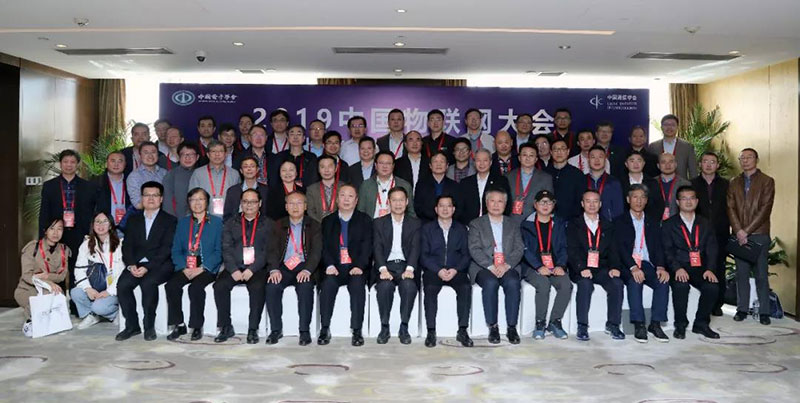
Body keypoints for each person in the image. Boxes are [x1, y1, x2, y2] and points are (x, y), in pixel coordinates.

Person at [116, 181, 177, 341]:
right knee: (122, 285)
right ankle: (132, 326)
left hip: (160, 264)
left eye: (155, 195)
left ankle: (149, 326)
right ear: (142, 198)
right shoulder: (133, 220)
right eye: (147, 195)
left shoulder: (170, 220)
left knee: (148, 283)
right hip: (136, 264)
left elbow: (166, 248)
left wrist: (148, 267)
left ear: (161, 199)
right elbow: (127, 246)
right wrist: (131, 265)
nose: (151, 199)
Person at [613, 184, 671, 343]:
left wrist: (661, 266)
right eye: (635, 197)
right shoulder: (619, 221)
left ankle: (655, 324)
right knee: (635, 281)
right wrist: (633, 267)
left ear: (646, 201)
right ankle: (639, 324)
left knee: (663, 281)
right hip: (627, 264)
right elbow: (620, 248)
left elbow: (659, 247)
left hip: (646, 263)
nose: (638, 201)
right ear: (628, 199)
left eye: (642, 197)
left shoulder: (652, 222)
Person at [214, 189, 272, 344]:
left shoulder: (268, 224)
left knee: (258, 287)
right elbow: (226, 248)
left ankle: (253, 329)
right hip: (234, 267)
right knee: (219, 286)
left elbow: (267, 251)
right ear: (241, 203)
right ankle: (225, 326)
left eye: (253, 202)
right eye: (245, 202)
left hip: (257, 268)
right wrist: (233, 270)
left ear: (260, 203)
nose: (249, 205)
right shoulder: (231, 223)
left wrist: (252, 269)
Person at [166, 188, 223, 341]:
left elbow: (219, 251)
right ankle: (179, 324)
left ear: (207, 202)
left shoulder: (217, 223)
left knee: (196, 288)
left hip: (206, 267)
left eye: (201, 199)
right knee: (171, 286)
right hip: (186, 266)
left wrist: (203, 268)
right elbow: (176, 250)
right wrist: (183, 267)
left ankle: (197, 326)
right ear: (189, 203)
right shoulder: (183, 223)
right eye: (193, 200)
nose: (197, 203)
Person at [265, 191, 322, 345]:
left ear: (305, 206)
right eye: (291, 203)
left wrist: (308, 270)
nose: (295, 207)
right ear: (286, 207)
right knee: (272, 286)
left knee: (305, 287)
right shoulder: (278, 225)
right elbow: (271, 250)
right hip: (283, 266)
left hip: (305, 266)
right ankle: (276, 330)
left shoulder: (314, 225)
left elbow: (316, 252)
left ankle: (304, 331)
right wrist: (274, 269)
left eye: (299, 203)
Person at [663, 185, 720, 339]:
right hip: (679, 266)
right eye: (684, 198)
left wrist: (710, 269)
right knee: (681, 286)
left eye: (691, 198)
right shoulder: (669, 224)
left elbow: (712, 248)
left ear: (697, 201)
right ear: (678, 202)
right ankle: (680, 325)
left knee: (712, 287)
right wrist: (677, 268)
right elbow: (667, 250)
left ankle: (701, 324)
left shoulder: (705, 223)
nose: (688, 202)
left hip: (700, 267)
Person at [318, 184, 372, 346]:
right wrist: (329, 265)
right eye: (342, 195)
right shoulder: (328, 221)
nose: (346, 199)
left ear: (356, 200)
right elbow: (323, 247)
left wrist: (359, 266)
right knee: (327, 285)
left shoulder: (364, 220)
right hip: (334, 267)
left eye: (350, 196)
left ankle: (357, 330)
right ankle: (325, 328)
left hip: (355, 267)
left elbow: (367, 247)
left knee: (357, 286)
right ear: (337, 199)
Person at [568, 190, 625, 341]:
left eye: (595, 201)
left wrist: (615, 267)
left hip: (601, 268)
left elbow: (614, 249)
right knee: (585, 285)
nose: (592, 205)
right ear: (582, 204)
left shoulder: (608, 225)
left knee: (617, 284)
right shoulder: (574, 224)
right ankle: (582, 326)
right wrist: (581, 268)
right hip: (580, 268)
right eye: (588, 201)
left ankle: (613, 324)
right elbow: (572, 250)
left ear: (600, 204)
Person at [469, 189, 524, 344]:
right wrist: (490, 266)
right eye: (492, 201)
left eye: (500, 201)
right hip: (483, 266)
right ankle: (493, 326)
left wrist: (506, 265)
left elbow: (519, 248)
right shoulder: (476, 224)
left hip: (507, 265)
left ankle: (511, 327)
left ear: (505, 204)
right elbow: (474, 249)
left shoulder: (513, 224)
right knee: (491, 283)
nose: (496, 205)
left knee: (513, 282)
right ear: (486, 203)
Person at [727, 148, 775, 325]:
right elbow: (730, 207)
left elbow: (765, 209)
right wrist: (738, 230)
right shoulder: (734, 182)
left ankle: (764, 312)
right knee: (741, 274)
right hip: (739, 234)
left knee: (761, 275)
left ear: (756, 159)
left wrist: (746, 231)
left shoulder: (767, 181)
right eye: (742, 158)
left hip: (759, 234)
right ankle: (742, 309)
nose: (745, 160)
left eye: (749, 157)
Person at [420, 195, 474, 347]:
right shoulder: (427, 229)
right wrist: (438, 270)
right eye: (441, 206)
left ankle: (462, 330)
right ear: (436, 209)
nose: (445, 209)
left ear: (453, 209)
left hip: (456, 270)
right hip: (434, 270)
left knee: (465, 288)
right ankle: (431, 331)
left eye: (448, 206)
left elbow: (466, 254)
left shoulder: (461, 229)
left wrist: (455, 269)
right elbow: (423, 255)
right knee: (430, 288)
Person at [39, 149, 96, 287]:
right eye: (65, 162)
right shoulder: (49, 186)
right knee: (56, 268)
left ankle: (75, 299)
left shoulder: (88, 186)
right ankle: (59, 299)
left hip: (80, 232)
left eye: (72, 162)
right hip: (56, 233)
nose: (69, 165)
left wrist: (91, 234)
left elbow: (92, 212)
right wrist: (42, 236)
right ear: (60, 164)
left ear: (77, 164)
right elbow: (44, 212)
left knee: (78, 268)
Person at [373, 187, 421, 344]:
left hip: (406, 266)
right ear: (389, 202)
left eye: (401, 200)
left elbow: (415, 247)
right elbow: (377, 248)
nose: (398, 204)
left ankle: (404, 327)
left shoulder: (415, 223)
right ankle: (384, 327)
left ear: (407, 202)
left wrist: (410, 269)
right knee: (384, 287)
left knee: (409, 286)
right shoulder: (379, 223)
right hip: (386, 266)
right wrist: (382, 269)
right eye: (394, 200)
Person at [520, 190, 571, 340]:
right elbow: (525, 250)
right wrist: (538, 266)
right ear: (535, 204)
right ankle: (540, 323)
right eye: (542, 202)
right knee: (543, 284)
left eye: (549, 202)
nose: (546, 205)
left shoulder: (559, 223)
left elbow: (563, 247)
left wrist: (560, 265)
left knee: (566, 285)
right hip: (532, 267)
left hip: (554, 266)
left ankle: (555, 322)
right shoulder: (526, 224)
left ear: (554, 205)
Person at [15, 218, 69, 337]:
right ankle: (30, 322)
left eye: (59, 229)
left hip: (50, 289)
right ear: (45, 231)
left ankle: (46, 324)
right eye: (52, 229)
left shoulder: (63, 250)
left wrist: (47, 277)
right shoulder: (33, 247)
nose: (55, 233)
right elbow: (26, 275)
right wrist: (47, 282)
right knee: (39, 303)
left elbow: (62, 276)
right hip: (27, 289)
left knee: (57, 302)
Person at [692, 151, 730, 316]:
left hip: (721, 231)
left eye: (712, 162)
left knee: (719, 267)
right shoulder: (692, 184)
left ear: (718, 165)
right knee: (700, 266)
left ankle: (717, 304)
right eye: (705, 161)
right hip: (698, 233)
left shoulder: (726, 184)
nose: (708, 165)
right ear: (700, 164)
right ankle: (702, 304)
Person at [71, 212, 123, 329]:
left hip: (113, 288)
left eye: (105, 221)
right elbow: (79, 270)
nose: (101, 225)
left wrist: (108, 292)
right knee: (75, 293)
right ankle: (92, 315)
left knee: (98, 307)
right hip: (94, 287)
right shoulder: (86, 245)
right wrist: (88, 289)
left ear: (110, 225)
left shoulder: (120, 244)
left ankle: (114, 313)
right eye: (97, 222)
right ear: (93, 225)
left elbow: (122, 273)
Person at [458, 148, 511, 225]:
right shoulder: (465, 183)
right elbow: (460, 207)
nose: (481, 164)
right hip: (470, 225)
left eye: (485, 160)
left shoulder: (501, 181)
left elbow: (507, 205)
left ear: (490, 162)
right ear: (474, 163)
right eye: (478, 160)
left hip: (494, 224)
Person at [188, 140, 240, 217]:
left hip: (229, 218)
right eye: (213, 151)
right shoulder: (198, 173)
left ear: (225, 154)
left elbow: (238, 198)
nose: (217, 154)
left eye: (221, 151)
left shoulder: (234, 174)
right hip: (205, 218)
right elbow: (192, 198)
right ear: (208, 154)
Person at [357, 151, 416, 218]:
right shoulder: (366, 185)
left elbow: (411, 212)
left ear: (393, 166)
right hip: (371, 223)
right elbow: (360, 212)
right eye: (381, 163)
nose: (385, 166)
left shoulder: (405, 185)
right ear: (375, 165)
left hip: (397, 223)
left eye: (388, 163)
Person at [505, 143, 553, 221]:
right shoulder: (508, 177)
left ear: (536, 159)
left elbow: (548, 203)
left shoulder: (546, 178)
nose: (528, 158)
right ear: (519, 158)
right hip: (511, 221)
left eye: (531, 155)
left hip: (535, 222)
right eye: (524, 155)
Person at [647, 114, 698, 180]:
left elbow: (693, 171)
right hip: (658, 185)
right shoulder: (653, 147)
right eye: (666, 125)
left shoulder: (687, 147)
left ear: (677, 127)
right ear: (661, 127)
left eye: (673, 125)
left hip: (682, 185)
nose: (669, 127)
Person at [545, 138, 584, 221]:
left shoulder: (577, 174)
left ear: (568, 152)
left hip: (571, 221)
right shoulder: (544, 173)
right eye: (555, 149)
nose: (559, 152)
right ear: (551, 152)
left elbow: (580, 200)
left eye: (562, 149)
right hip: (547, 219)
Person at [414, 152, 459, 222]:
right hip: (426, 223)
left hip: (449, 223)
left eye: (442, 161)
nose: (438, 164)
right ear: (430, 166)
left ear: (447, 166)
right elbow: (418, 207)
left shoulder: (454, 185)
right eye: (435, 161)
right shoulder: (421, 184)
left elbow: (458, 207)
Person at [223, 156, 269, 221]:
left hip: (261, 226)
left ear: (257, 169)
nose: (249, 169)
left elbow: (269, 215)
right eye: (245, 167)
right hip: (236, 225)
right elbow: (227, 215)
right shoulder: (232, 191)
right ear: (241, 171)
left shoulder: (266, 191)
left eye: (252, 166)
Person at [585, 145, 624, 221]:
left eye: (600, 157)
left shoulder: (614, 182)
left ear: (605, 160)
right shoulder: (581, 180)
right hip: (585, 225)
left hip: (608, 225)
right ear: (588, 160)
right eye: (593, 157)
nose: (597, 160)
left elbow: (619, 210)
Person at [93, 151, 131, 227]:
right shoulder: (96, 182)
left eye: (120, 161)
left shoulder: (131, 181)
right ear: (106, 164)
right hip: (103, 227)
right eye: (113, 161)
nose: (116, 164)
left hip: (127, 226)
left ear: (125, 164)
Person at [162, 143, 200, 218]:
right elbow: (167, 202)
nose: (187, 158)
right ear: (178, 157)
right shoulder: (171, 175)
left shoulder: (201, 173)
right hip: (178, 219)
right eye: (183, 154)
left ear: (197, 157)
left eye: (191, 154)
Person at [126, 141, 168, 210]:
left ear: (157, 155)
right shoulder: (134, 176)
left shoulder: (165, 173)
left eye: (153, 152)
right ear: (140, 156)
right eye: (146, 153)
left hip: (165, 212)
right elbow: (138, 204)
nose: (150, 155)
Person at [651, 152, 691, 221]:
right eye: (663, 162)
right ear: (658, 165)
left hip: (678, 223)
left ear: (676, 164)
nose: (667, 165)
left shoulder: (685, 184)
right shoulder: (650, 183)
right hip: (655, 222)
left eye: (671, 162)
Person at [620, 150, 660, 218]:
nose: (636, 164)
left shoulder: (652, 182)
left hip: (649, 220)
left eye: (639, 161)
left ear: (644, 163)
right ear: (626, 164)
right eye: (632, 161)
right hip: (624, 220)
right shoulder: (619, 183)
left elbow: (658, 204)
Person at [306, 155, 343, 222]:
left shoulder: (344, 187)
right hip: (318, 226)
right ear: (318, 169)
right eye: (322, 167)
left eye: (330, 166)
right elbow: (310, 211)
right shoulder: (311, 189)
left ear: (336, 168)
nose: (326, 170)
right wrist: (323, 223)